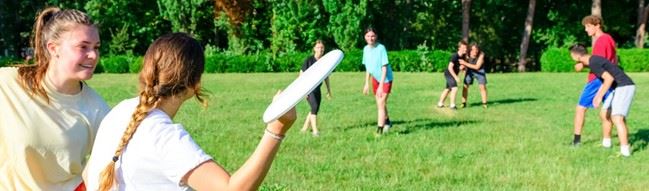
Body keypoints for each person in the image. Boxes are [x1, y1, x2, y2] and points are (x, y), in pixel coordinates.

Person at [84, 33, 297, 190]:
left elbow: (89, 173)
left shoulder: (120, 110)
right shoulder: (165, 137)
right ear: (195, 83)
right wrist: (276, 130)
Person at [0, 7, 110, 190]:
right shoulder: (8, 84)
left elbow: (118, 163)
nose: (93, 55)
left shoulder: (97, 109)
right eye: (83, 47)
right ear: (53, 48)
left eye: (96, 47)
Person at [569, 43, 635, 157]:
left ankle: (625, 151)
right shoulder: (592, 60)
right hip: (619, 87)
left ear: (575, 56)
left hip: (625, 86)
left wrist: (598, 96)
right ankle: (606, 144)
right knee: (604, 114)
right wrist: (583, 65)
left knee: (617, 118)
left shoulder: (593, 62)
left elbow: (609, 78)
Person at [572, 15, 618, 146]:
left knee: (581, 108)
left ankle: (576, 141)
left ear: (597, 25)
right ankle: (607, 142)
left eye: (588, 26)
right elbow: (610, 61)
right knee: (607, 111)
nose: (586, 30)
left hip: (597, 79)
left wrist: (582, 64)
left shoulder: (601, 40)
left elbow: (598, 63)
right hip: (610, 78)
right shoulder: (609, 39)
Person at [362, 27, 394, 135]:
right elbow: (368, 68)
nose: (370, 38)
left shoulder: (381, 48)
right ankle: (388, 122)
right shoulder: (365, 49)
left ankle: (379, 131)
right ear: (365, 37)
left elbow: (384, 68)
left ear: (376, 37)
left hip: (385, 79)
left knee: (380, 103)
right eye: (368, 36)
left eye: (372, 36)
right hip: (375, 79)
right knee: (381, 104)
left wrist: (381, 86)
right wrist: (366, 83)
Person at [300, 40, 332, 137]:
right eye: (318, 47)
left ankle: (304, 128)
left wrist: (328, 90)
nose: (320, 49)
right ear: (314, 49)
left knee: (315, 109)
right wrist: (304, 90)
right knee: (314, 107)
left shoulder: (324, 61)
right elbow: (301, 75)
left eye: (322, 47)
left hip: (318, 89)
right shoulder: (308, 60)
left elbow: (326, 77)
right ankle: (315, 130)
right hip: (309, 89)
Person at [437, 40, 468, 110]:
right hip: (449, 73)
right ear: (459, 48)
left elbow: (459, 67)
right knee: (455, 88)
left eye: (466, 48)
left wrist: (461, 68)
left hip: (452, 74)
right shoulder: (455, 56)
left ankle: (440, 103)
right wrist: (456, 77)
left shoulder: (463, 57)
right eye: (463, 48)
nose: (465, 49)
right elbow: (450, 67)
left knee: (448, 89)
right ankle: (452, 105)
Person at [460, 43, 488, 108]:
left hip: (480, 71)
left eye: (476, 49)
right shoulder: (467, 54)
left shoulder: (481, 54)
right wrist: (462, 66)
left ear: (478, 49)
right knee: (465, 86)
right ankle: (463, 103)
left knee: (482, 87)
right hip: (470, 70)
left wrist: (465, 63)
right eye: (473, 49)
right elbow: (463, 62)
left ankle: (484, 104)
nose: (475, 51)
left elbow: (477, 67)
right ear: (470, 49)